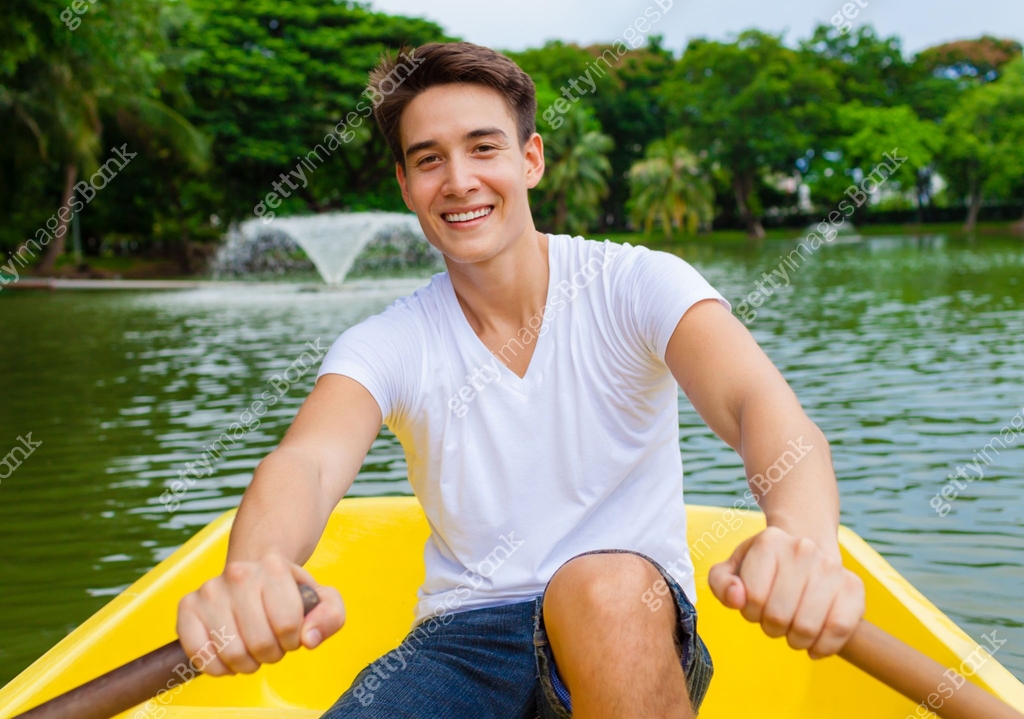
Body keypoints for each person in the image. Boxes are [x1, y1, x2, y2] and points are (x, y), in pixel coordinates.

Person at [175, 41, 865, 719]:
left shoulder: (636, 283)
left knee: (601, 585)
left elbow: (759, 407)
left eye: (483, 147)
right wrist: (256, 567)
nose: (459, 180)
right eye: (429, 160)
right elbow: (308, 463)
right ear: (406, 185)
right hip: (461, 641)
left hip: (630, 612)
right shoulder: (389, 341)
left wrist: (802, 538)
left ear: (529, 159)